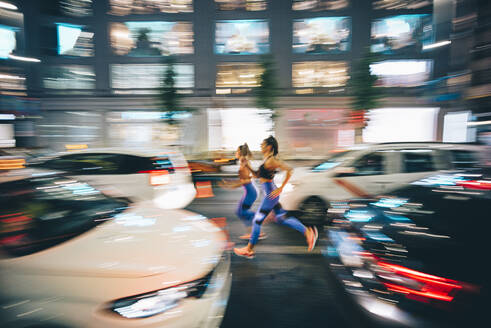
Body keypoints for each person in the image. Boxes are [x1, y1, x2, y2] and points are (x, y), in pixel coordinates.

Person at [234, 136, 318, 259]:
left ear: (269, 146)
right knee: (281, 218)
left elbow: (290, 170)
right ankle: (307, 232)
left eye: (262, 144)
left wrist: (281, 188)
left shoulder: (272, 160)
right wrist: (248, 166)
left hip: (270, 196)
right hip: (271, 194)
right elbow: (257, 175)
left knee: (257, 221)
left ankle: (249, 249)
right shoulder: (267, 159)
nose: (261, 146)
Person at [219, 143, 266, 240]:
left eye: (237, 151)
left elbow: (246, 181)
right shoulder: (243, 162)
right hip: (249, 190)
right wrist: (230, 183)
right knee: (242, 211)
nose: (235, 153)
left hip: (251, 192)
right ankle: (255, 232)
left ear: (240, 152)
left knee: (241, 212)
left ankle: (259, 221)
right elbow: (245, 179)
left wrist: (230, 186)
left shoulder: (244, 162)